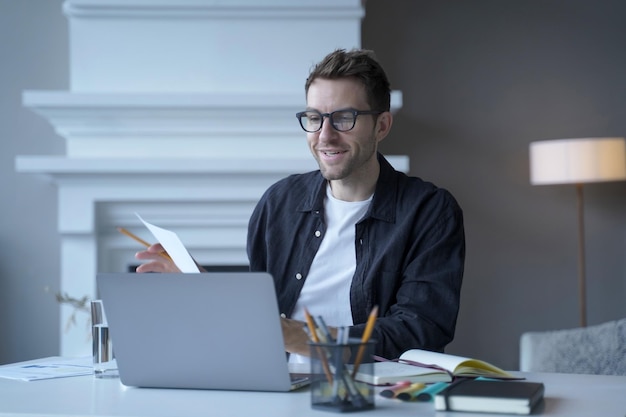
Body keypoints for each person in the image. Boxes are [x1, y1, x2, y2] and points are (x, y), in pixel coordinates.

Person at [136, 48, 465, 362]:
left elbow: (418, 333)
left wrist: (290, 335)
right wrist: (204, 287)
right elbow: (260, 313)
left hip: (372, 395)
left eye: (344, 118)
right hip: (276, 384)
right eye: (314, 118)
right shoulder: (279, 202)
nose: (324, 136)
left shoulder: (430, 212)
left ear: (381, 126)